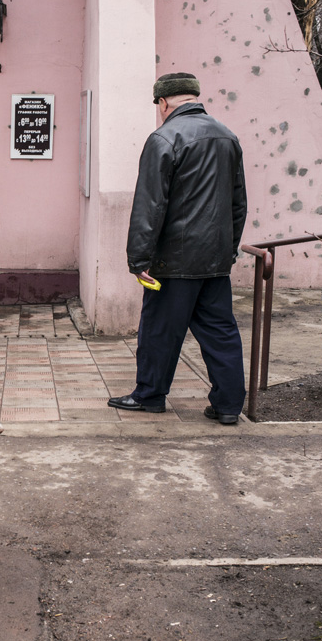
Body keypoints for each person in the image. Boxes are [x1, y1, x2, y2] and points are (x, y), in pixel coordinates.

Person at [108, 72, 248, 424]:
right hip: (215, 261)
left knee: (159, 330)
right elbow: (238, 203)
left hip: (173, 261)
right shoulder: (227, 136)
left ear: (164, 102)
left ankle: (150, 396)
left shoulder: (164, 138)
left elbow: (149, 205)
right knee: (221, 332)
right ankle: (229, 406)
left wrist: (138, 258)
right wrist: (228, 251)